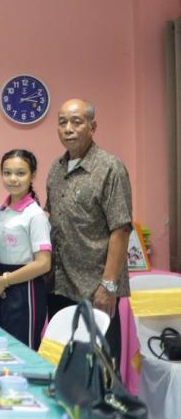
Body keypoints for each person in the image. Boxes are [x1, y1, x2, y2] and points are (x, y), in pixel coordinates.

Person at [46, 98, 132, 363]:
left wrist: (108, 285)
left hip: (95, 288)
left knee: (100, 366)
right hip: (59, 285)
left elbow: (121, 229)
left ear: (93, 127)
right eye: (62, 122)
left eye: (76, 122)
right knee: (63, 362)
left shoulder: (110, 167)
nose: (68, 129)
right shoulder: (56, 169)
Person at [0, 150, 51, 350]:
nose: (13, 179)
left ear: (32, 175)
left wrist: (5, 280)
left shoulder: (35, 215)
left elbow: (43, 263)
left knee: (23, 349)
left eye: (20, 173)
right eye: (7, 173)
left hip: (26, 289)